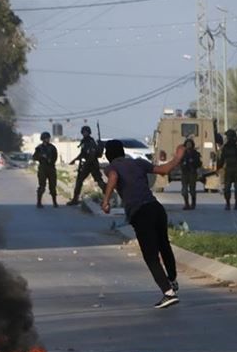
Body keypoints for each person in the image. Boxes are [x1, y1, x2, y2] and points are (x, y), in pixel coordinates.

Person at [102, 139, 184, 309]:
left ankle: (168, 293)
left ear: (108, 155)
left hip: (140, 213)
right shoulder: (138, 162)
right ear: (123, 152)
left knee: (150, 256)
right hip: (156, 208)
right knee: (164, 245)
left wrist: (106, 201)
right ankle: (172, 279)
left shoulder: (111, 167)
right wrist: (177, 157)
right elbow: (164, 170)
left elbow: (114, 177)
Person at [66, 125, 107, 206]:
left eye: (86, 132)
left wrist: (86, 164)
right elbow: (83, 153)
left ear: (89, 132)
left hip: (91, 164)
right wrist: (74, 160)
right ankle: (75, 199)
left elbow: (91, 154)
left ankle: (108, 196)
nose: (84, 133)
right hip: (88, 164)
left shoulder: (90, 141)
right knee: (79, 181)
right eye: (83, 132)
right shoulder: (85, 141)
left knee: (99, 181)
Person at [219, 129, 237, 210]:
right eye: (228, 136)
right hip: (228, 169)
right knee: (227, 188)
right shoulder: (225, 147)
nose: (228, 138)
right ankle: (227, 203)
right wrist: (218, 168)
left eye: (229, 136)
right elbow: (222, 158)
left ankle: (236, 203)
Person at [32, 131, 58, 208]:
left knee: (53, 186)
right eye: (46, 138)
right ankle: (39, 202)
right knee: (42, 186)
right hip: (43, 168)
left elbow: (55, 157)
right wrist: (41, 156)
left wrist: (50, 160)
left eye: (48, 138)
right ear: (42, 139)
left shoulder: (52, 147)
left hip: (51, 167)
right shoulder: (39, 148)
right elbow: (34, 157)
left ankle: (55, 202)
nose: (47, 139)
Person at [179, 138, 202, 210]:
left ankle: (193, 204)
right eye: (187, 144)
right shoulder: (182, 154)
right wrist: (183, 164)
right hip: (185, 173)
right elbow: (179, 162)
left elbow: (199, 163)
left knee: (192, 190)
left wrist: (193, 162)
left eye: (190, 144)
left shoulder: (195, 154)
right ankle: (186, 204)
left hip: (192, 173)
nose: (188, 145)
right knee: (184, 191)